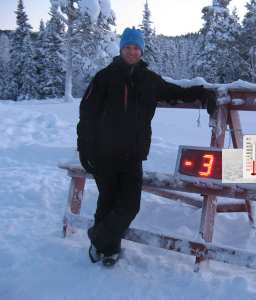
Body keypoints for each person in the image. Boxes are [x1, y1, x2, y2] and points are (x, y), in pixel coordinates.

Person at [77, 27, 217, 267]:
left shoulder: (149, 80)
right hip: (103, 153)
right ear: (121, 49)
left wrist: (204, 94)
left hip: (132, 155)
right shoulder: (104, 77)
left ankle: (97, 237)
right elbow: (87, 115)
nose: (132, 51)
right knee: (108, 201)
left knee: (130, 204)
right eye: (128, 47)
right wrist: (84, 148)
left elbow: (177, 93)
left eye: (136, 48)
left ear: (141, 51)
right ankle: (108, 250)